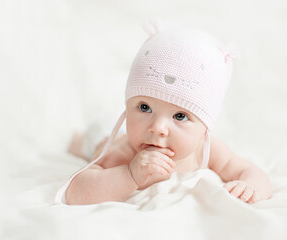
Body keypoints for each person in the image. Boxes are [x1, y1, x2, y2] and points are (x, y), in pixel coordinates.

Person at [55, 21, 272, 205]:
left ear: (205, 126)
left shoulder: (207, 151)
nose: (157, 128)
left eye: (180, 116)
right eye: (144, 107)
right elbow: (76, 192)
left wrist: (250, 186)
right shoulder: (122, 151)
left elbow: (251, 172)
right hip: (109, 129)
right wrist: (129, 175)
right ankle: (79, 139)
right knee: (89, 142)